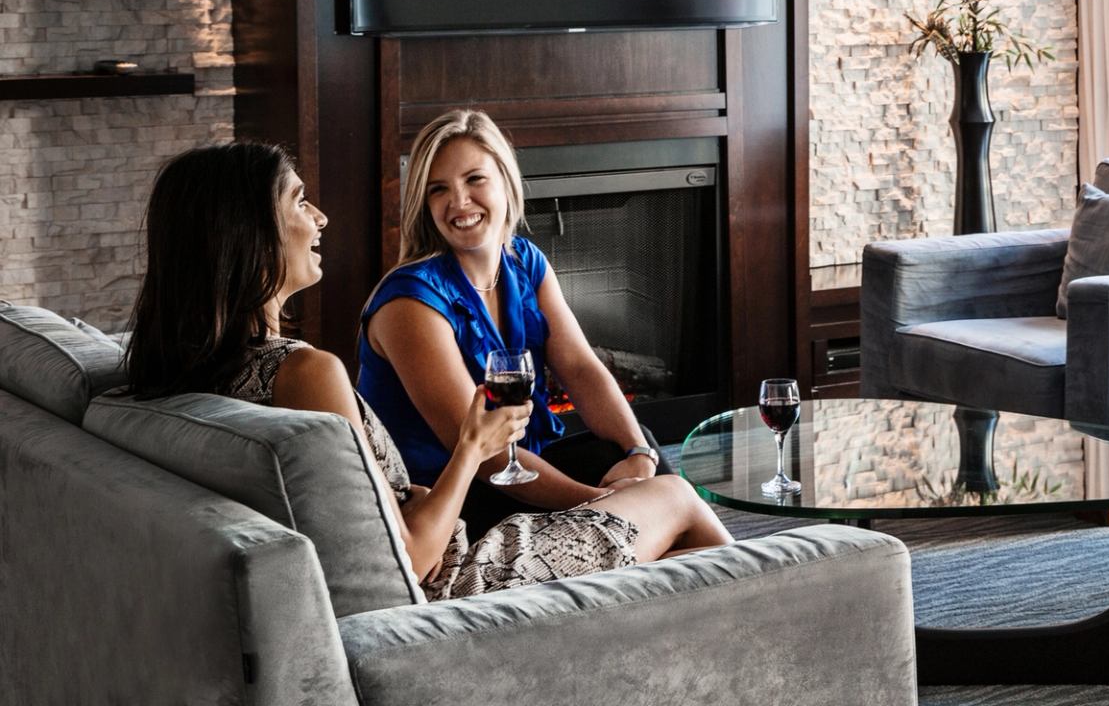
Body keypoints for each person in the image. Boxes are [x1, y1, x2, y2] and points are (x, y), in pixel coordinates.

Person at [123, 142, 732, 601]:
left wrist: (415, 496)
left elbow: (366, 512)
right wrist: (470, 448)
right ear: (247, 235)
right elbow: (404, 561)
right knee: (676, 499)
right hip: (453, 582)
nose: (320, 218)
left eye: (475, 180)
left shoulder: (209, 367)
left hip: (439, 532)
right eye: (298, 201)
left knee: (650, 476)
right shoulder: (308, 371)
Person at [358, 108, 674, 532]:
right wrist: (606, 503)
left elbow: (580, 369)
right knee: (654, 504)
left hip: (522, 467)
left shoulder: (525, 262)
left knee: (634, 450)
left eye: (474, 179)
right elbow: (483, 456)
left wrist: (638, 455)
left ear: (505, 181)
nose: (459, 202)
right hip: (446, 501)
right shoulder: (410, 303)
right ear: (424, 204)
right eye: (438, 190)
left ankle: (687, 576)